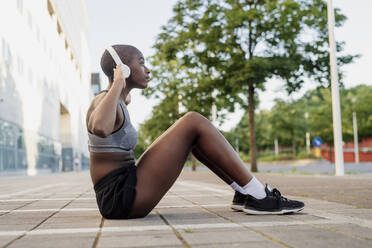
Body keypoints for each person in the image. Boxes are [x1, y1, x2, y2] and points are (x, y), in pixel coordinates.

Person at [85, 44, 304, 219]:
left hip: (123, 187)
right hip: (119, 197)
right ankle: (260, 196)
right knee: (193, 121)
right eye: (141, 63)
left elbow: (116, 111)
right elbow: (101, 128)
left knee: (194, 136)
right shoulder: (103, 99)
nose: (148, 69)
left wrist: (123, 91)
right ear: (123, 68)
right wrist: (118, 83)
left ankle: (244, 192)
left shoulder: (119, 100)